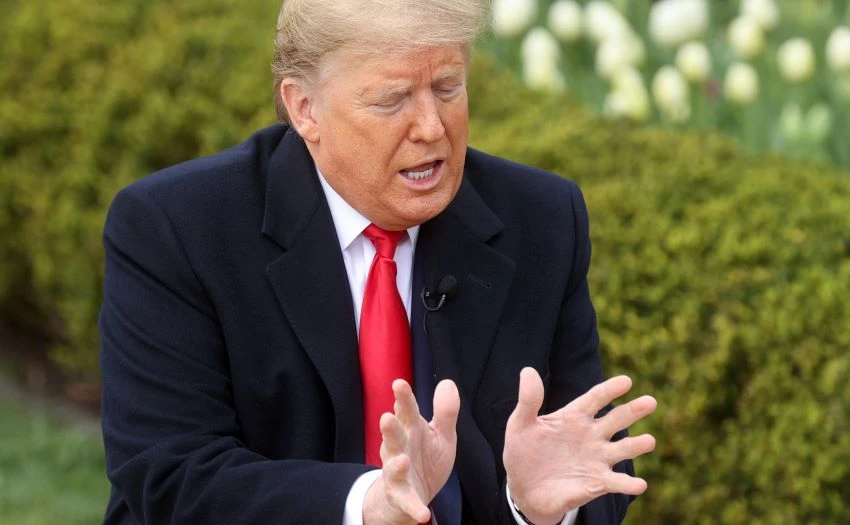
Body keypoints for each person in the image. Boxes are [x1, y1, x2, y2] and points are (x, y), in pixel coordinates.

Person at [98, 0, 657, 523]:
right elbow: (170, 474)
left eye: (447, 87)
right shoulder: (175, 228)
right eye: (392, 100)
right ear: (304, 108)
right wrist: (367, 506)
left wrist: (535, 508)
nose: (432, 127)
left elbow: (582, 457)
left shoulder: (542, 220)